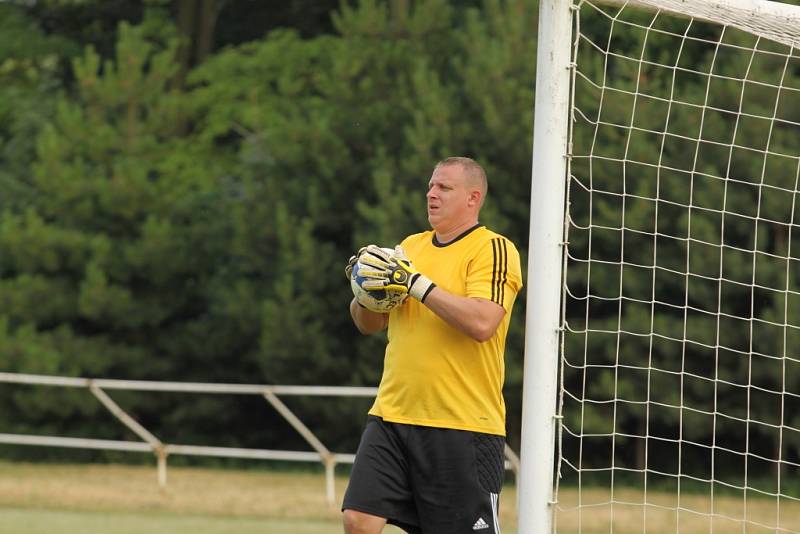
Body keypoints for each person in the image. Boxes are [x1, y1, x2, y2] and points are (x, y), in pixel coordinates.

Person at [342, 157, 523, 534]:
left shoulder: (493, 249)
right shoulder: (409, 248)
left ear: (473, 198)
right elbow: (367, 325)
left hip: (461, 425)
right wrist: (365, 293)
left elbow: (482, 323)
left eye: (444, 187)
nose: (431, 194)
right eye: (430, 186)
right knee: (358, 521)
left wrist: (415, 285)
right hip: (393, 415)